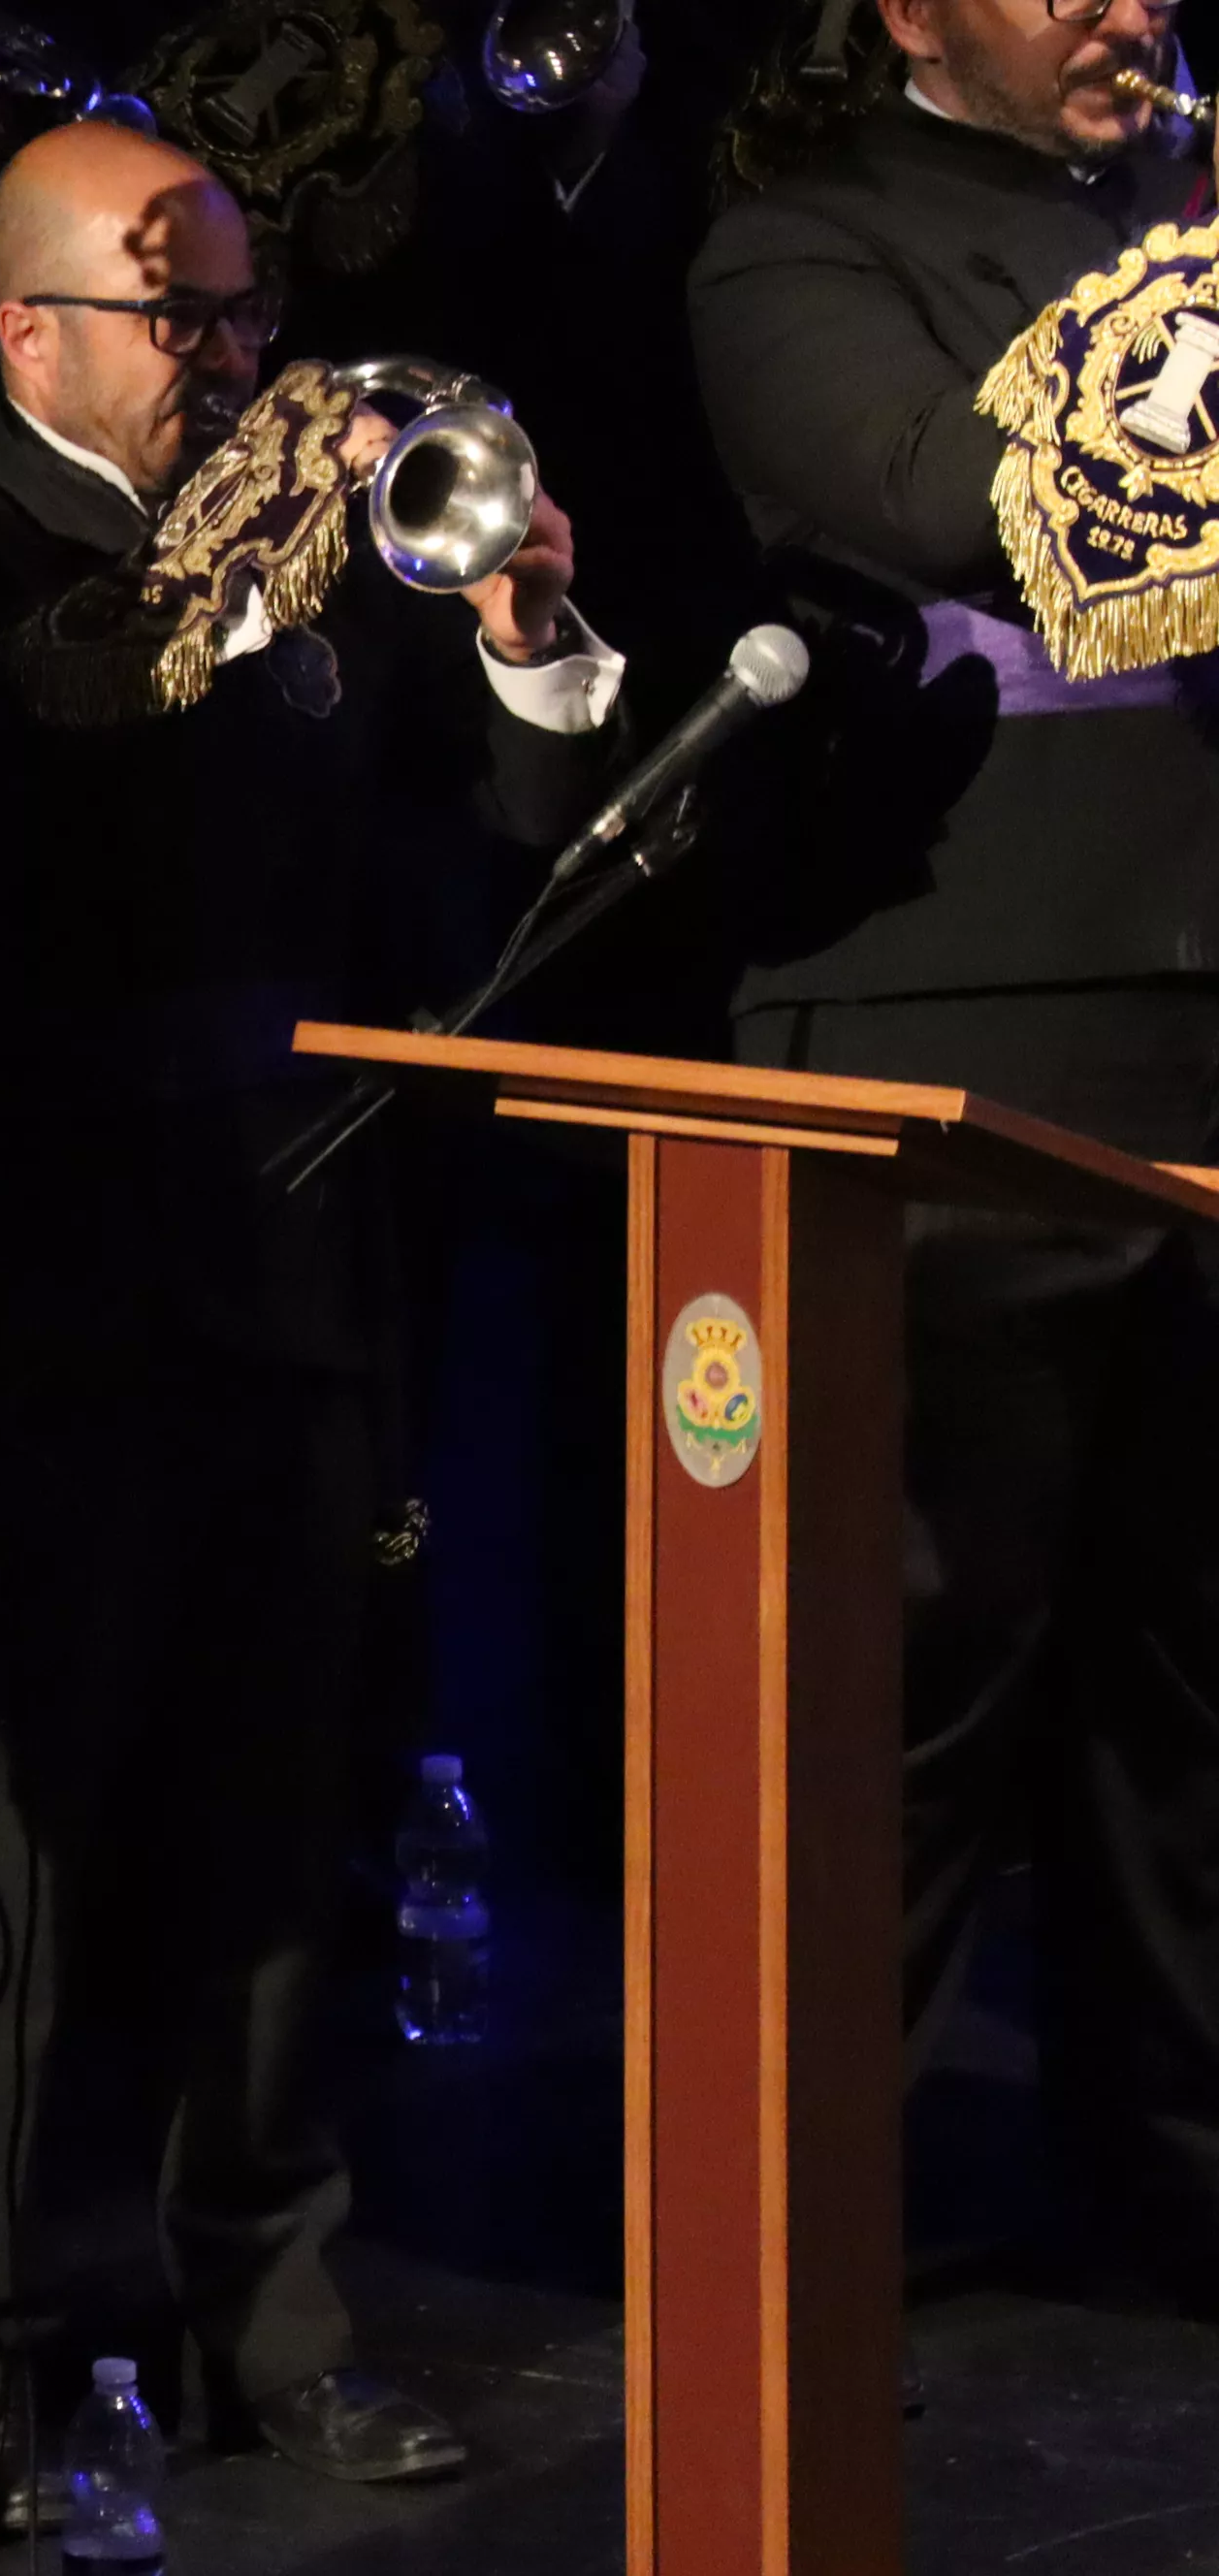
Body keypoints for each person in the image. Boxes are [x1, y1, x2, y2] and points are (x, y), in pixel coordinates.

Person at [0, 118, 628, 2519]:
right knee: (30, 1880)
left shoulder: (315, 554)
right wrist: (247, 582)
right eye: (194, 318)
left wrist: (519, 622)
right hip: (44, 1296)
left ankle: (270, 2323)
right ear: (35, 328)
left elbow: (486, 839)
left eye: (256, 310)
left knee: (284, 1840)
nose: (244, 356)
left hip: (297, 1264)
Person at [687, 0, 1217, 2313]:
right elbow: (953, 503)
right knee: (915, 1673)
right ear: (912, 13)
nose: (1130, 3)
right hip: (964, 1026)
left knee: (1197, 1675)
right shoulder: (803, 247)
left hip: (1205, 1010)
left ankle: (1178, 2174)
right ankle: (798, 2230)